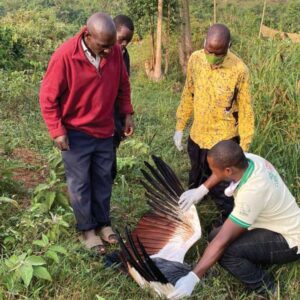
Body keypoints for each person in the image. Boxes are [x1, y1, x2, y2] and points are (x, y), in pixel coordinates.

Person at [39, 12, 134, 255]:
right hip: (75, 132)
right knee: (80, 183)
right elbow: (48, 98)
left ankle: (103, 223)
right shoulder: (65, 56)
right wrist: (57, 131)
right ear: (87, 35)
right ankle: (87, 230)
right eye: (103, 47)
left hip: (104, 129)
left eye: (110, 47)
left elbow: (123, 85)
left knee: (103, 179)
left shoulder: (113, 52)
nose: (107, 53)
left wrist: (127, 114)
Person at [168, 140, 300, 299]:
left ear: (229, 170)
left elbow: (223, 241)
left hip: (290, 239)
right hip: (270, 223)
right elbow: (221, 171)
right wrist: (202, 189)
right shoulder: (249, 160)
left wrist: (193, 277)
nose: (212, 172)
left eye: (213, 169)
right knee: (214, 236)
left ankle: (266, 287)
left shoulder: (252, 192)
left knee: (225, 252)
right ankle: (254, 259)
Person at [173, 24, 254, 222]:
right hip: (198, 135)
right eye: (210, 51)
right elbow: (189, 92)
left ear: (229, 47)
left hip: (223, 142)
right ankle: (192, 218)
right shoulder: (195, 59)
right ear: (204, 44)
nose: (213, 57)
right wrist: (180, 126)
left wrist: (243, 147)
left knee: (224, 190)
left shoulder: (239, 70)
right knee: (196, 176)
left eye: (219, 53)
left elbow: (245, 111)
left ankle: (224, 226)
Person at [111, 15, 134, 181]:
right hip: (99, 120)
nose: (124, 44)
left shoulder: (124, 55)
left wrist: (127, 115)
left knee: (109, 168)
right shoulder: (100, 54)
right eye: (122, 39)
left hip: (115, 117)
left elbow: (125, 87)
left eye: (128, 40)